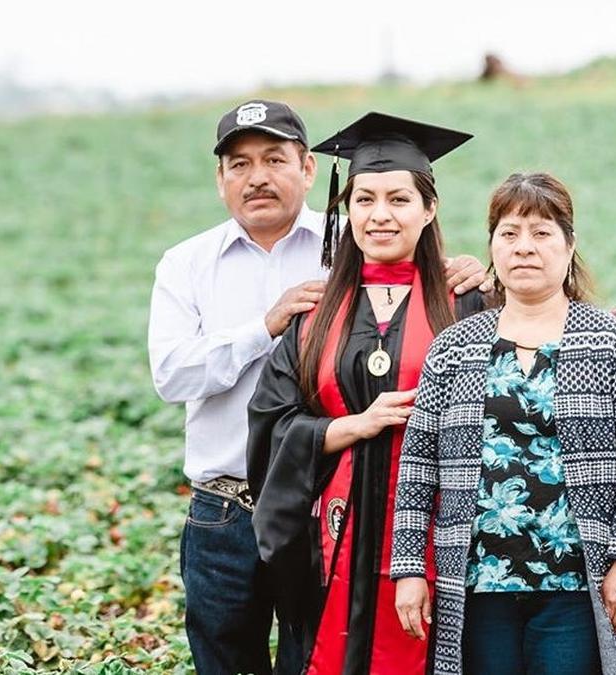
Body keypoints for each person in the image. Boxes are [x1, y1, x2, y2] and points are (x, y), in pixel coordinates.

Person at [149, 101, 489, 675]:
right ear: (221, 177)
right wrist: (266, 326)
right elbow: (172, 375)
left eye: (274, 159)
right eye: (239, 164)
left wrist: (470, 277)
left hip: (344, 516)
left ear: (309, 170)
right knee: (233, 659)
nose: (257, 176)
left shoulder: (346, 247)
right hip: (230, 509)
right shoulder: (187, 264)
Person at [391, 172, 616, 675]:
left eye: (541, 233)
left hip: (577, 585)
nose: (525, 248)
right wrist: (409, 569)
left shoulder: (614, 342)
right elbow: (417, 468)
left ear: (568, 245)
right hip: (477, 583)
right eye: (510, 233)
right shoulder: (455, 347)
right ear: (493, 246)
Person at [246, 111, 487, 675]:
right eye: (364, 199)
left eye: (400, 200)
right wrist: (347, 427)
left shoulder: (469, 305)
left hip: (441, 542)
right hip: (331, 545)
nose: (380, 215)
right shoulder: (315, 315)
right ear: (345, 209)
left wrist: (610, 327)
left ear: (429, 211)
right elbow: (269, 424)